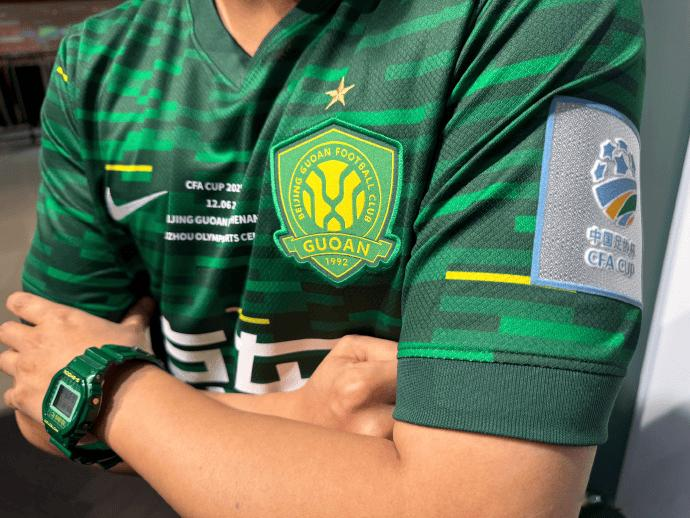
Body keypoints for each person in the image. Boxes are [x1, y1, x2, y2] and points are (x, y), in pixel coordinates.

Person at [0, 0, 645, 515]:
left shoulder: (533, 16)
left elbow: (487, 501)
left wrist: (112, 392)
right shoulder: (96, 58)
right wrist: (297, 418)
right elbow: (34, 388)